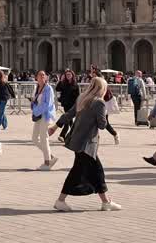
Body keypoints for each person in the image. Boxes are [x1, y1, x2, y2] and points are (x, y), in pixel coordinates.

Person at [49, 77, 121, 212]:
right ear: (102, 89)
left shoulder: (82, 97)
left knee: (92, 172)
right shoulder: (99, 103)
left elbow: (69, 114)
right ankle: (61, 200)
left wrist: (55, 126)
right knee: (85, 172)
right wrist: (105, 113)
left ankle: (105, 202)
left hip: (78, 140)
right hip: (87, 143)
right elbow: (102, 125)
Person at [30, 70, 58, 170]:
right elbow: (35, 101)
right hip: (38, 115)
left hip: (45, 115)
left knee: (43, 138)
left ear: (46, 77)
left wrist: (36, 111)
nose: (42, 76)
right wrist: (33, 103)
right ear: (36, 77)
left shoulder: (48, 88)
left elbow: (48, 104)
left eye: (43, 75)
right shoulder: (36, 88)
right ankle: (51, 156)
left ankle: (47, 163)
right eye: (39, 75)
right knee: (34, 138)